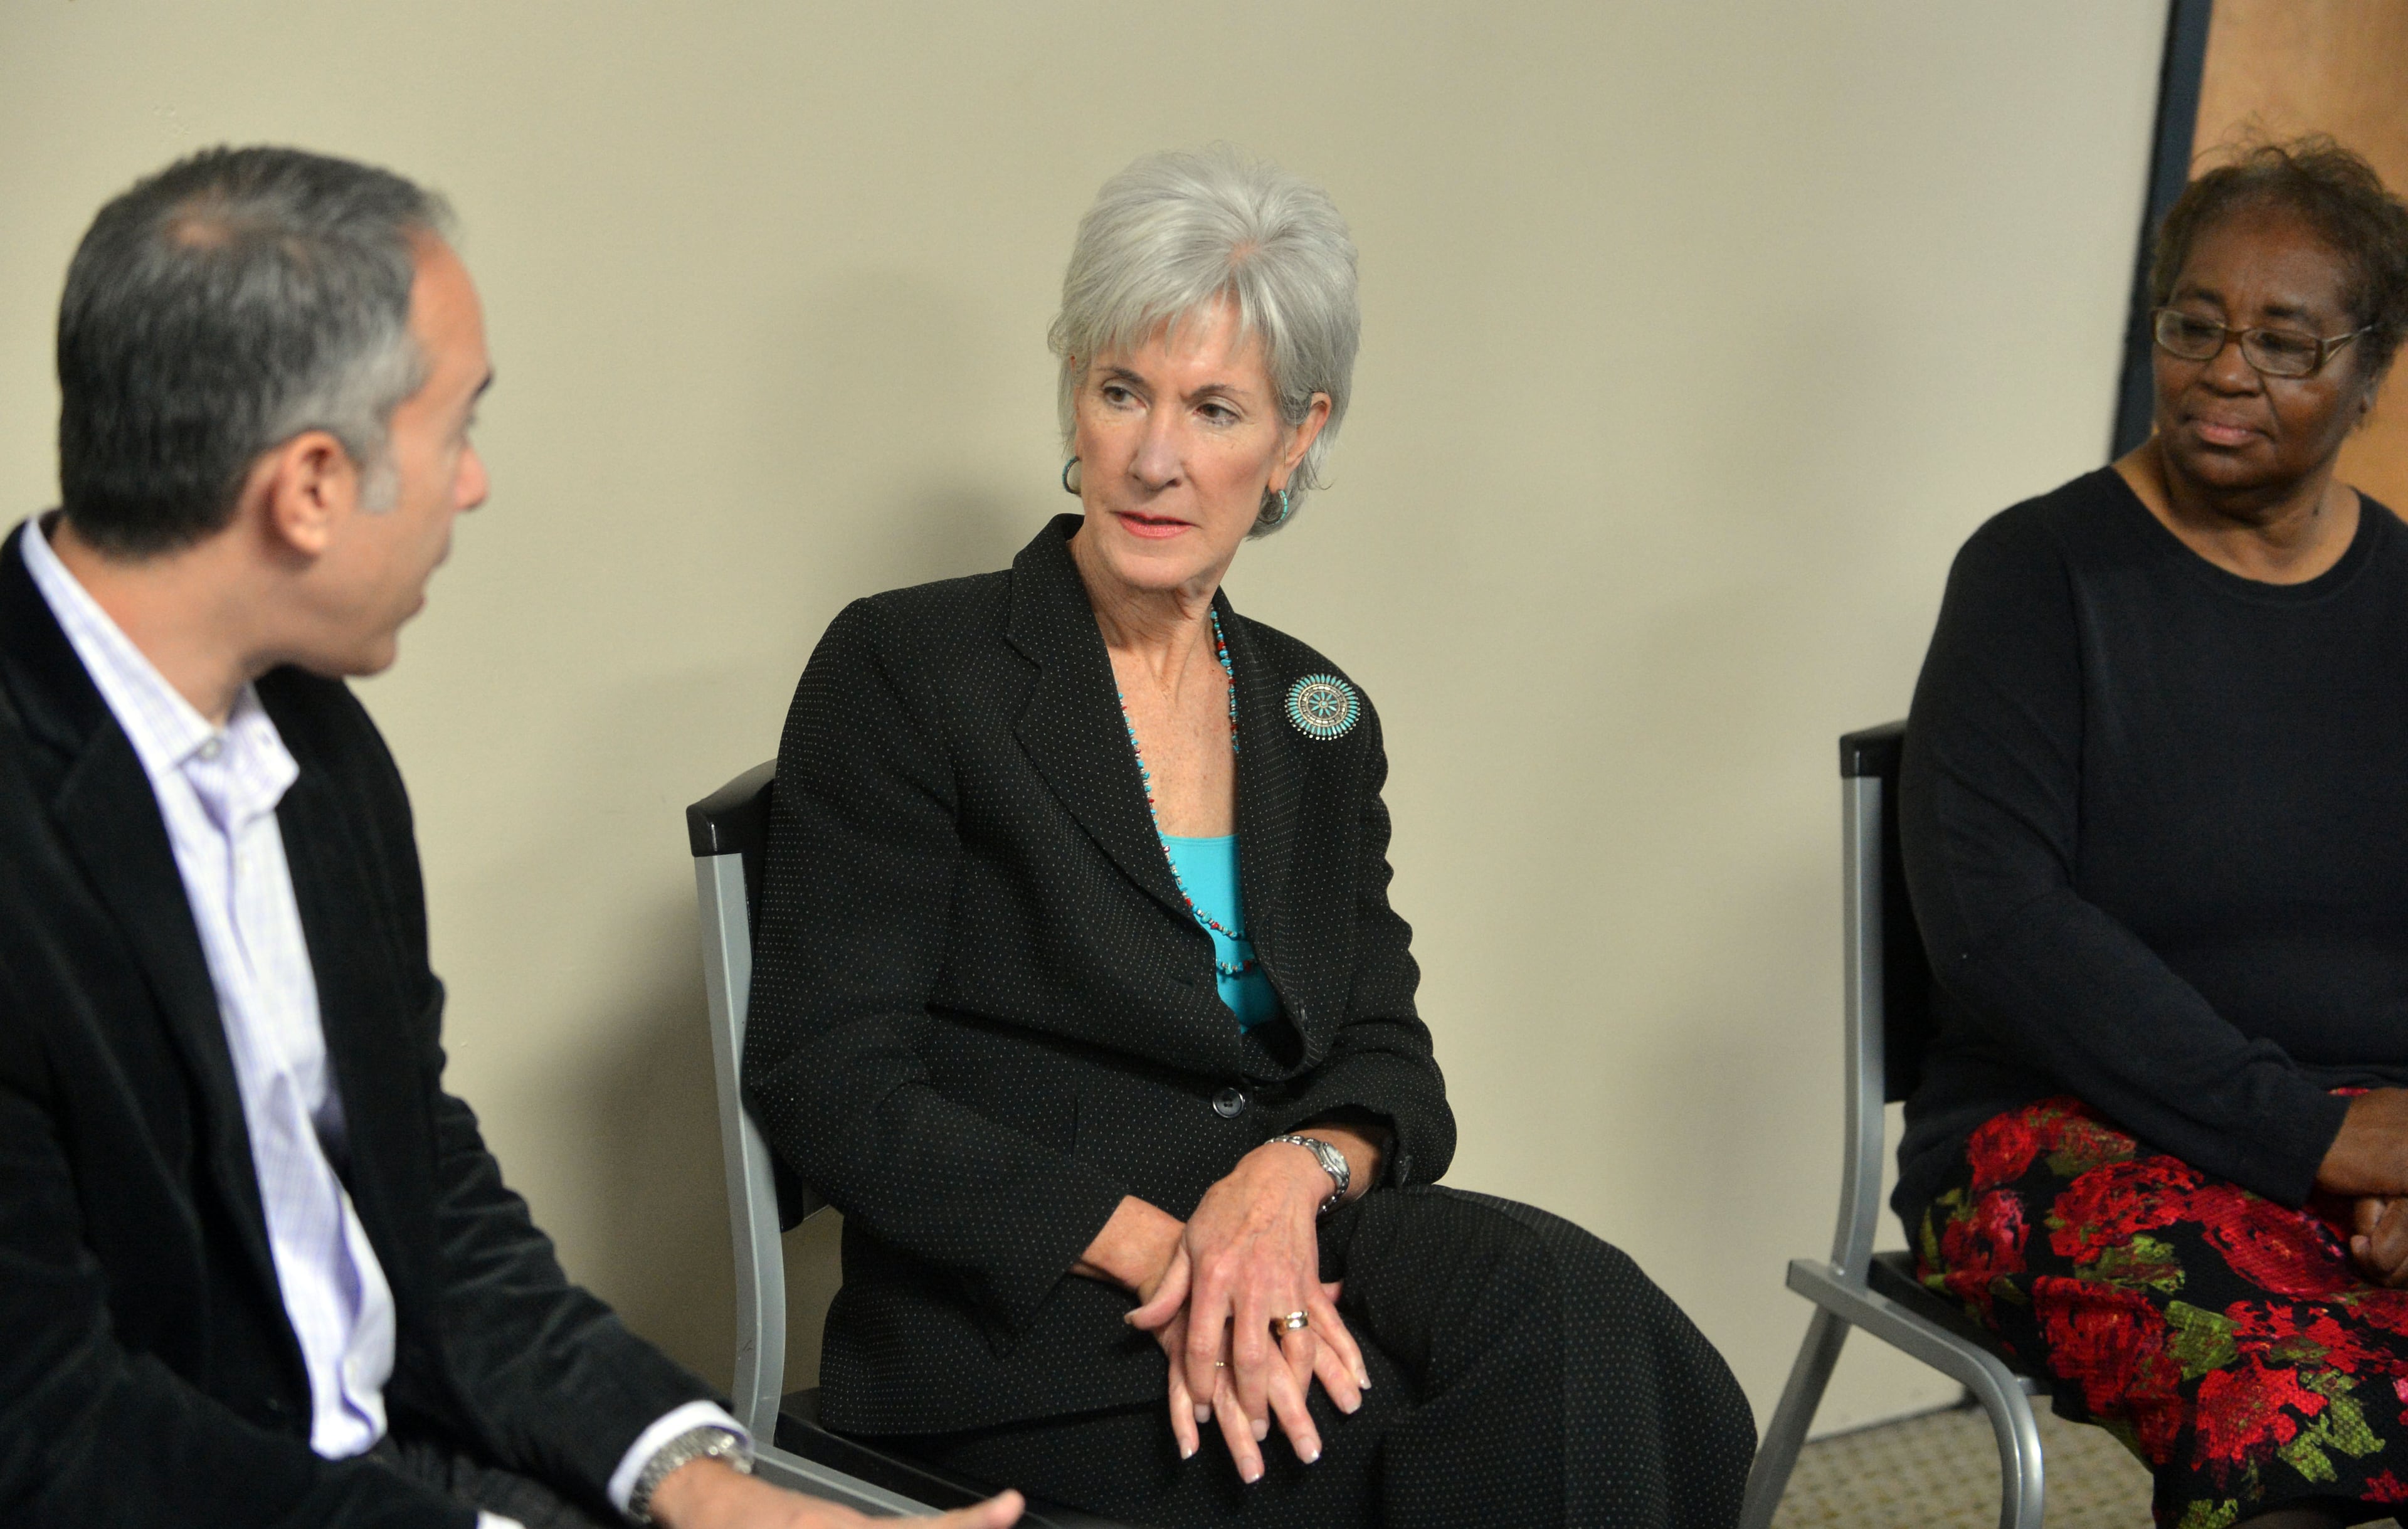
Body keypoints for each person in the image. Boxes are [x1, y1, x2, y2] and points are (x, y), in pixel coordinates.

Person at [0, 146, 1021, 1529]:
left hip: (409, 1464)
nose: (471, 487)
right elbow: (51, 1432)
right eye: (455, 430)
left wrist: (702, 1482)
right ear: (309, 485)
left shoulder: (315, 738)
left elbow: (424, 1191)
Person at [744, 144, 1756, 1529]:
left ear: (1295, 440)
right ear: (1076, 402)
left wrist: (1290, 1179)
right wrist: (1176, 1251)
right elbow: (832, 1079)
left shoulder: (1315, 710)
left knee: (1626, 1353)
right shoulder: (912, 669)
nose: (1155, 458)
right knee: (1425, 1454)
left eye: (1215, 408)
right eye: (1121, 393)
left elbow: (1390, 1058)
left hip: (1295, 1242)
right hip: (1032, 1315)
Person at [1898, 137, 2408, 1529]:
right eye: (2195, 324)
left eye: (2286, 341)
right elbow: (2001, 931)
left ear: (2371, 370)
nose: (2226, 370)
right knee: (2289, 1402)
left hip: (2370, 1135)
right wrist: (2312, 1136)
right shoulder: (2038, 576)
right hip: (2061, 1136)